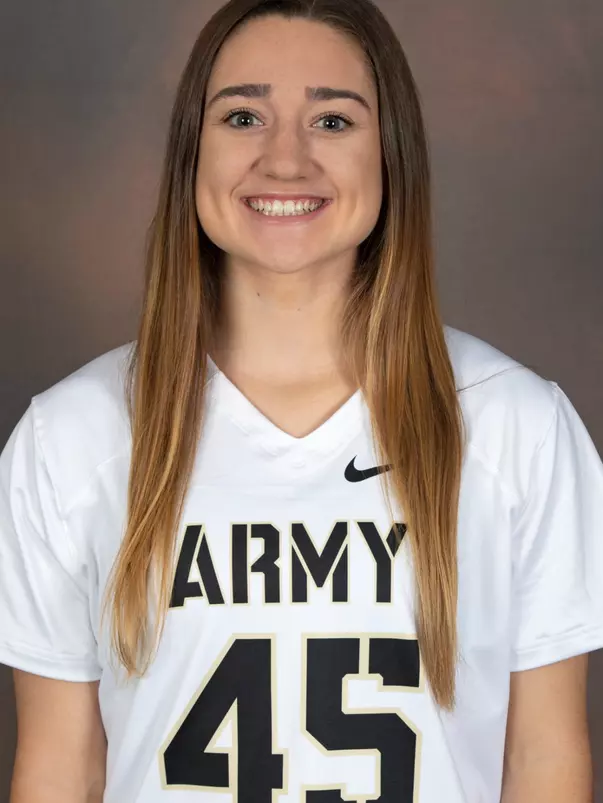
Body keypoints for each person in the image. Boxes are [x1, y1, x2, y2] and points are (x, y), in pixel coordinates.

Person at [1, 0, 602, 800]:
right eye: (243, 116)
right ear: (192, 154)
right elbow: (61, 765)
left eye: (332, 122)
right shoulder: (70, 437)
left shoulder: (516, 427)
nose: (284, 161)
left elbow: (543, 760)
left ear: (391, 156)